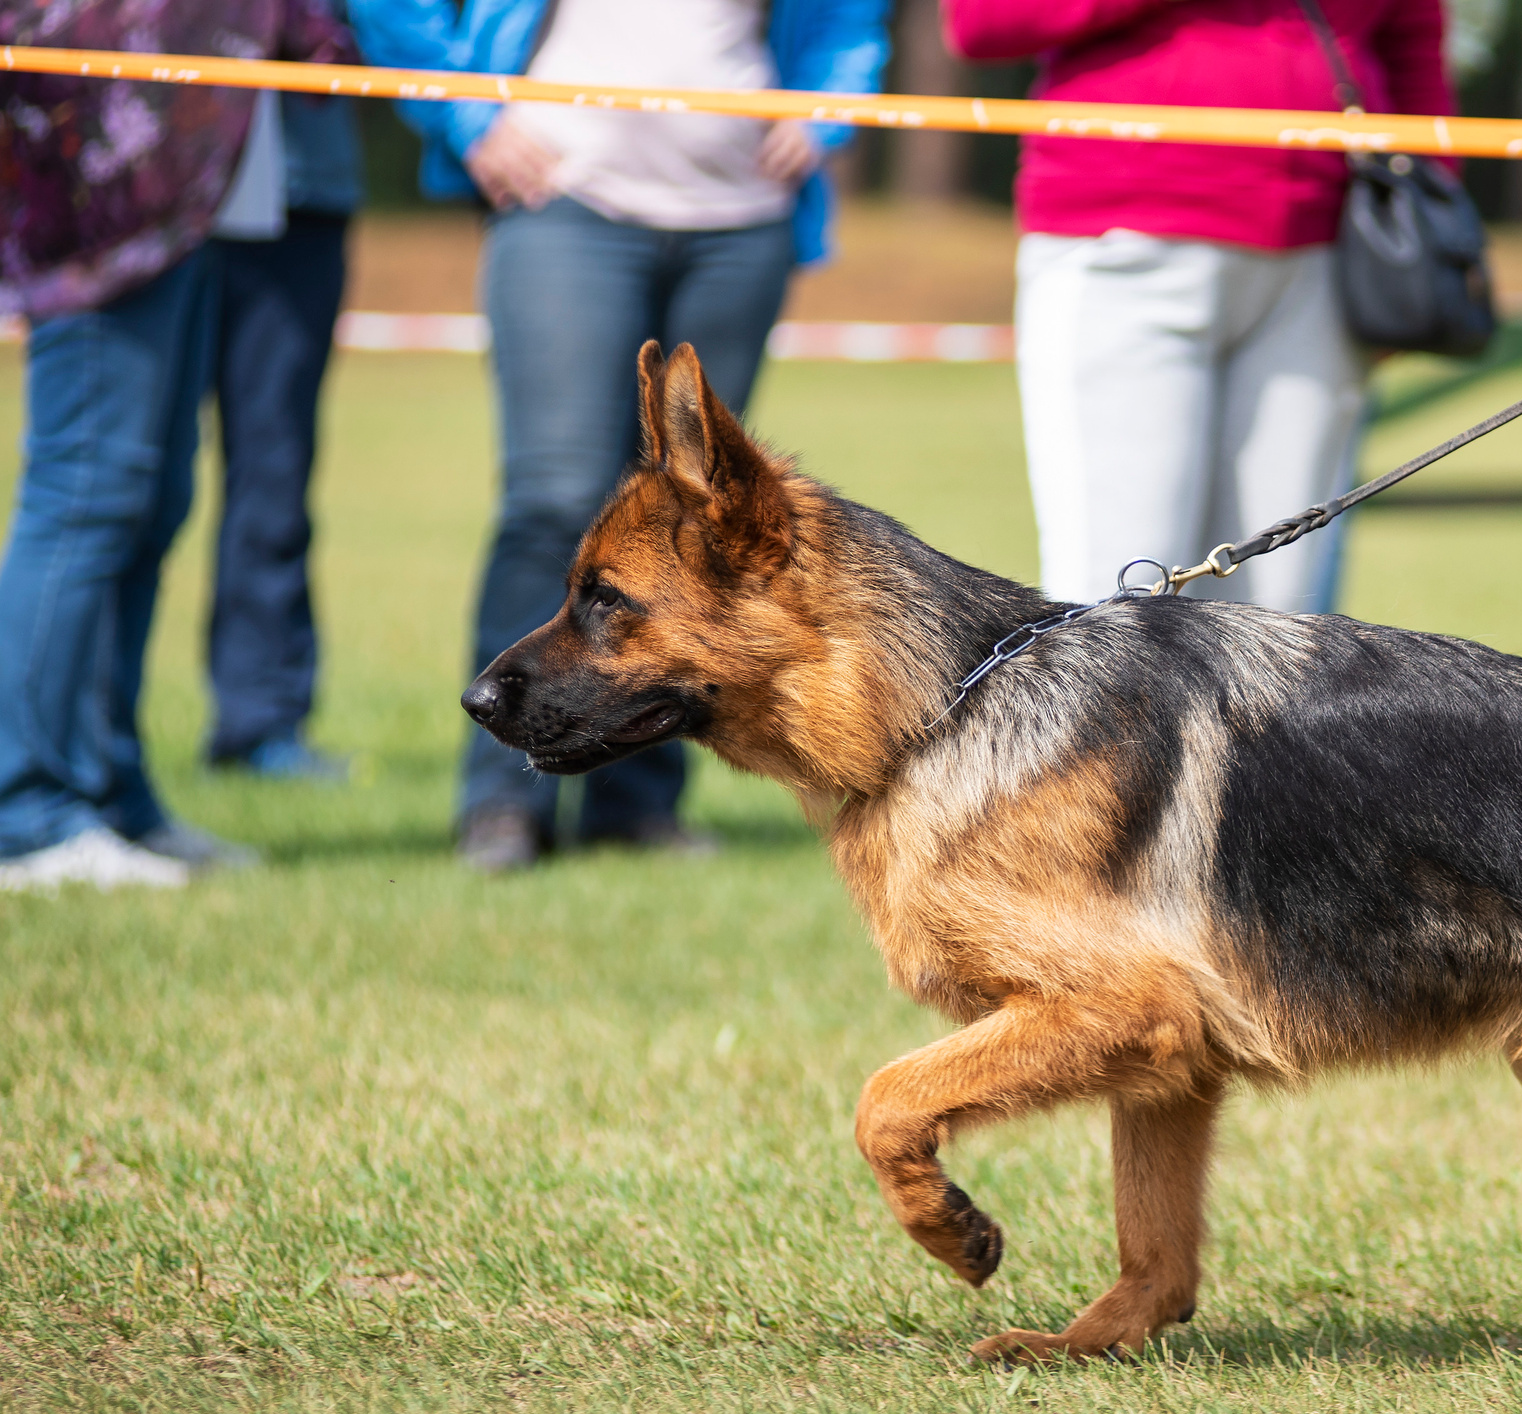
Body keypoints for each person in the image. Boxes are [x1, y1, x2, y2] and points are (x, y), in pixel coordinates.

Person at [350, 0, 891, 872]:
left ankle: (636, 804)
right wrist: (468, 116)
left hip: (741, 216)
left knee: (700, 543)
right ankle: (503, 801)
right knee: (553, 500)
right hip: (567, 196)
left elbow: (849, 18)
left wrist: (826, 102)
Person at [0, 0, 357, 895]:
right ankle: (26, 810)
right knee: (85, 496)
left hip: (197, 189)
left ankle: (111, 793)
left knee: (148, 501)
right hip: (109, 189)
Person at [944, 0, 1455, 614]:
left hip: (1326, 257)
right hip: (1125, 236)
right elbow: (983, 22)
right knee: (1123, 603)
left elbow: (1413, 44)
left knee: (1282, 620)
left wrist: (1426, 229)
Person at [203, 65, 365, 783]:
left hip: (302, 189)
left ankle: (260, 721)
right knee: (125, 490)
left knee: (274, 480)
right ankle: (89, 745)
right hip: (151, 183)